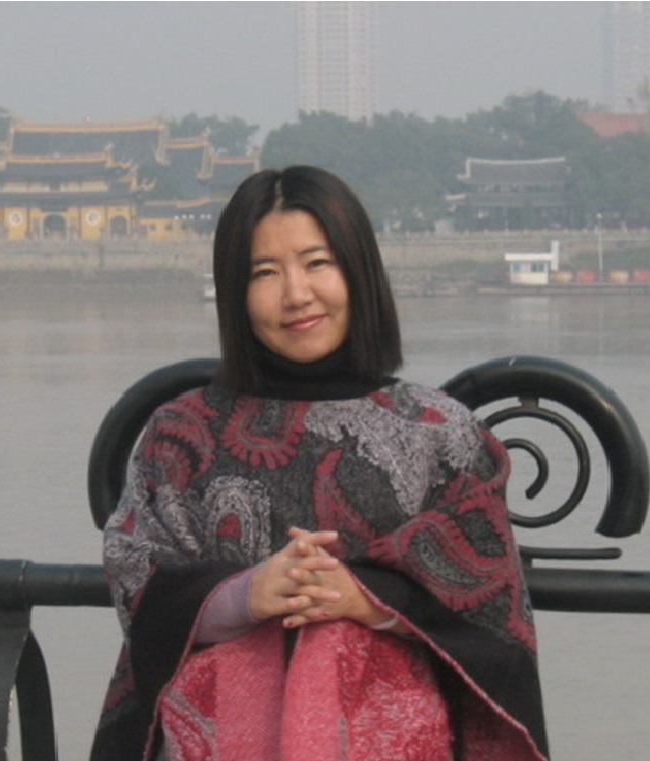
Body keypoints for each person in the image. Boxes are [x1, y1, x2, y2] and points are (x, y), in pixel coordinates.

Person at [91, 166, 549, 761]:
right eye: (264, 272)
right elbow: (135, 578)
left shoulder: (440, 432)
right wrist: (245, 595)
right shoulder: (181, 432)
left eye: (317, 263)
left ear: (358, 271)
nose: (296, 294)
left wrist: (363, 598)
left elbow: (491, 604)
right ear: (233, 290)